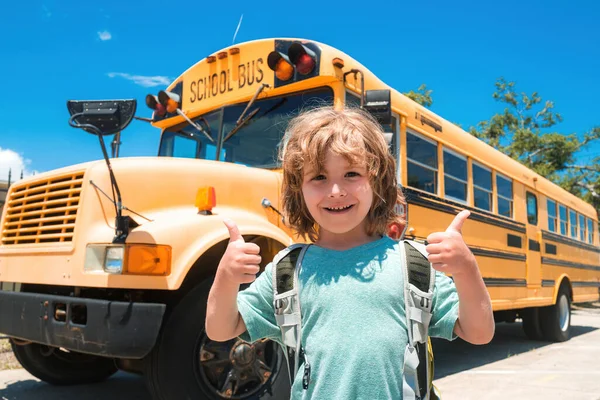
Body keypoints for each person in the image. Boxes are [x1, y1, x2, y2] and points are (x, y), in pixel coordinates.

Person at [206, 106, 495, 399]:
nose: (335, 190)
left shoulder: (413, 264)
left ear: (378, 181)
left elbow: (479, 332)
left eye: (351, 174)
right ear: (298, 190)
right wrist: (227, 278)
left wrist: (466, 269)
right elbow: (221, 329)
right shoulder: (288, 270)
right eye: (318, 177)